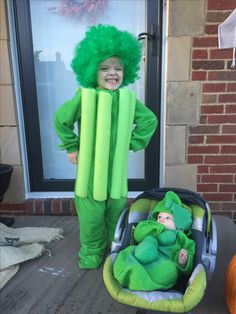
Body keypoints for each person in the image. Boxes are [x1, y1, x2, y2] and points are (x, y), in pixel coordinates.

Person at [54, 25, 157, 270]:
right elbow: (62, 119)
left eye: (118, 68)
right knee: (91, 218)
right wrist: (71, 146)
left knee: (116, 213)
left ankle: (115, 248)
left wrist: (131, 142)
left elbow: (149, 120)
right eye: (105, 68)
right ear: (92, 70)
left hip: (116, 178)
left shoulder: (128, 100)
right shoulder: (85, 96)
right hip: (90, 176)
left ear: (126, 72)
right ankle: (91, 251)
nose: (113, 73)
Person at [113, 191, 195, 291]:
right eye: (159, 217)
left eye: (168, 218)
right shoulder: (151, 226)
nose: (161, 220)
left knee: (171, 271)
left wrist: (184, 262)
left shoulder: (181, 237)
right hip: (142, 254)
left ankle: (137, 279)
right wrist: (157, 229)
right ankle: (138, 262)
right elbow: (138, 234)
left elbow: (190, 251)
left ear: (178, 224)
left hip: (165, 261)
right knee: (144, 246)